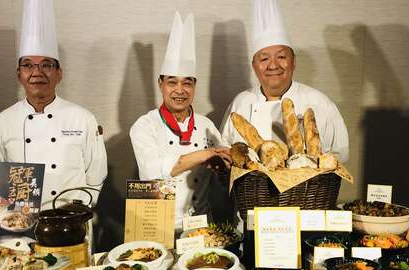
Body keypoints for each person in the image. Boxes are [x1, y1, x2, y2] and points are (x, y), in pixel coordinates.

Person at [0, 0, 107, 209]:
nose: (37, 72)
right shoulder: (3, 122)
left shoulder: (82, 118)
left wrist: (80, 209)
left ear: (59, 74)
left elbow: (96, 173)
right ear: (19, 74)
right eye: (28, 65)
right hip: (21, 224)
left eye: (46, 65)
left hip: (72, 220)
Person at [130, 12, 231, 232]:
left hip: (202, 227)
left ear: (194, 86)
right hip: (157, 228)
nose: (180, 90)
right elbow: (152, 173)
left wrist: (223, 168)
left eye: (187, 83)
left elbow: (225, 177)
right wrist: (205, 154)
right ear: (160, 84)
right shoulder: (144, 125)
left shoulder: (207, 125)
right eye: (172, 82)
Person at [220, 0, 349, 163]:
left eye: (281, 57)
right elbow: (225, 153)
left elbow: (339, 156)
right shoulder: (241, 103)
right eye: (264, 58)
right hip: (251, 189)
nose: (273, 65)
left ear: (293, 61)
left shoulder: (318, 102)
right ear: (254, 66)